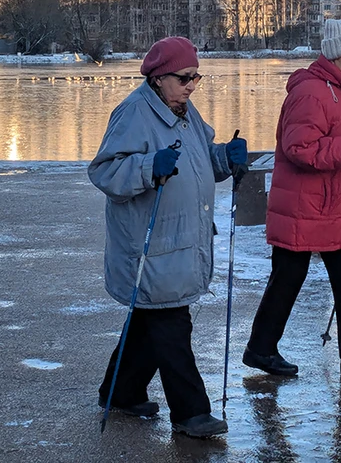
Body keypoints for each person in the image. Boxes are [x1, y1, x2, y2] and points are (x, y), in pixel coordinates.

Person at [87, 36, 248, 438]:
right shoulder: (133, 113)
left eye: (196, 76)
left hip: (181, 240)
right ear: (159, 78)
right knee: (171, 326)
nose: (192, 84)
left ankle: (119, 392)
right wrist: (147, 167)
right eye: (184, 78)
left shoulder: (186, 112)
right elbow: (104, 172)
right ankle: (192, 413)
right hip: (149, 245)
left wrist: (224, 157)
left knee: (150, 320)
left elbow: (198, 162)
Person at [242, 18, 341, 380]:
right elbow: (299, 148)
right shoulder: (311, 92)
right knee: (287, 279)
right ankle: (261, 349)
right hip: (304, 206)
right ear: (336, 55)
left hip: (336, 207)